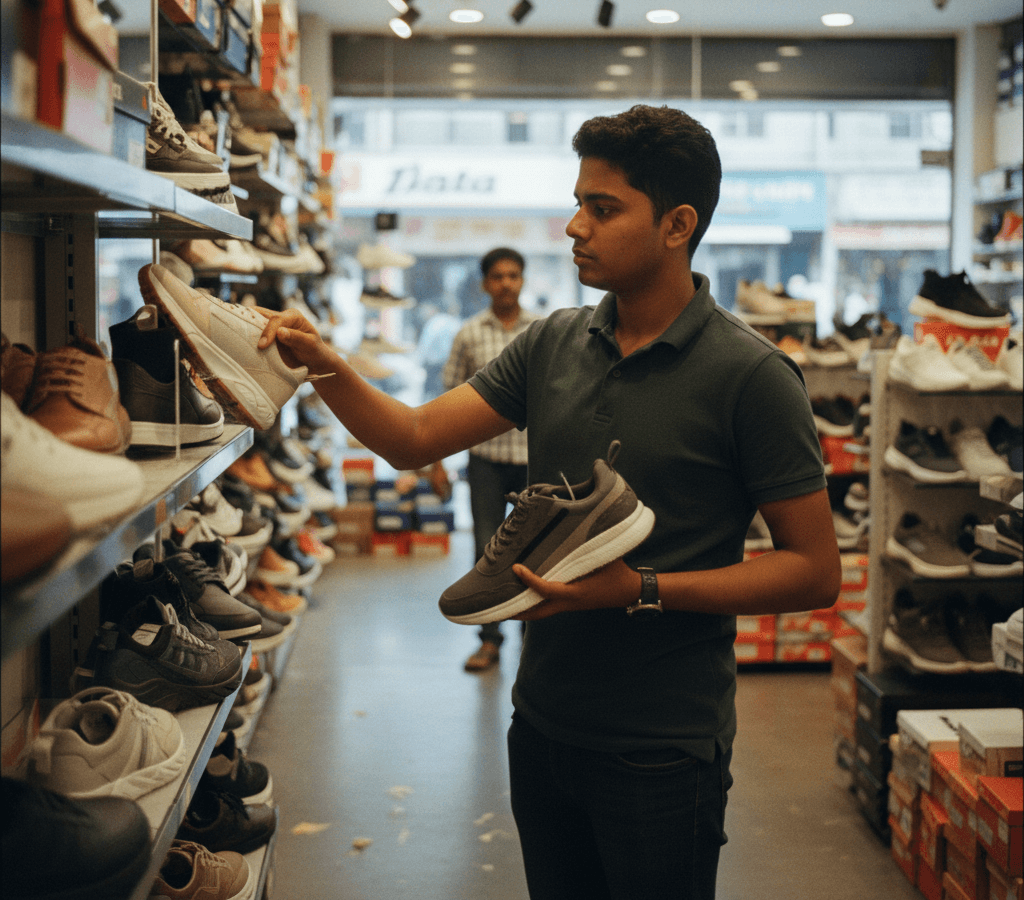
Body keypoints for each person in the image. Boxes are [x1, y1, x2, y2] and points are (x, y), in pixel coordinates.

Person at [257, 103, 842, 900]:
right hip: (541, 724)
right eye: (578, 202)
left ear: (677, 225)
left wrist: (639, 589)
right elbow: (414, 437)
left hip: (664, 744)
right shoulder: (552, 342)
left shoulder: (753, 376)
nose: (575, 226)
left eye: (603, 209)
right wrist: (320, 361)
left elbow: (814, 573)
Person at [441, 247, 541, 672]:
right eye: (497, 276)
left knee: (534, 551)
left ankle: (531, 640)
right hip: (484, 461)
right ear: (484, 284)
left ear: (522, 280)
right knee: (487, 551)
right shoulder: (468, 334)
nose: (506, 283)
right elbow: (447, 399)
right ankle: (490, 639)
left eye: (513, 275)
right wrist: (434, 464)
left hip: (532, 461)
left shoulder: (542, 331)